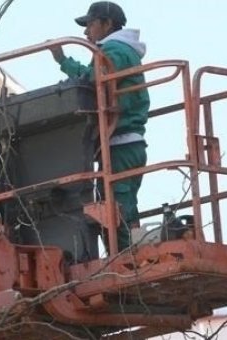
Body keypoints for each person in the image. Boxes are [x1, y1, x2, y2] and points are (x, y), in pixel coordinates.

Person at [49, 1, 150, 253]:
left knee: (115, 208)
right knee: (122, 205)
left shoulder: (113, 50)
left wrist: (63, 61)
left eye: (90, 24)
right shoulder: (118, 51)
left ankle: (127, 261)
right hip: (125, 143)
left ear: (107, 24)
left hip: (121, 142)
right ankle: (133, 254)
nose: (86, 33)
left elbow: (93, 83)